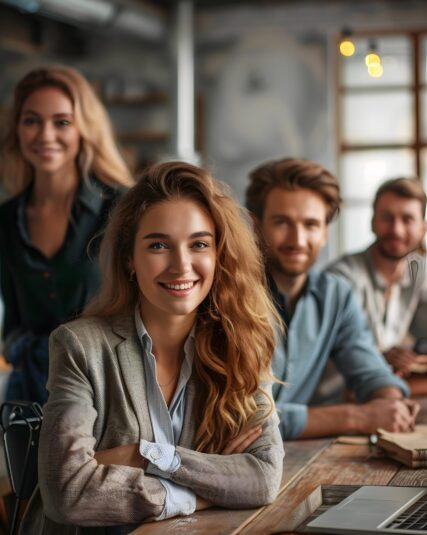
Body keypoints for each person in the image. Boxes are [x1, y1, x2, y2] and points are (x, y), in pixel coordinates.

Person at [20, 161, 284, 533]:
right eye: (158, 245)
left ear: (218, 255)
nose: (181, 265)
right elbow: (67, 492)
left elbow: (262, 478)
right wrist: (202, 487)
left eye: (199, 244)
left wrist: (147, 456)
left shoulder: (244, 345)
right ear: (130, 259)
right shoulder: (80, 346)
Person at [245, 157, 418, 441]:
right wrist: (358, 416)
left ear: (325, 231)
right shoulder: (229, 297)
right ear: (256, 225)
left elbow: (369, 369)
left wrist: (391, 401)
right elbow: (245, 418)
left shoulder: (336, 295)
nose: (297, 239)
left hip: (297, 457)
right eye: (281, 222)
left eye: (311, 224)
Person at [0, 66, 133, 404]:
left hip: (106, 393)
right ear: (16, 130)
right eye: (31, 120)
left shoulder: (121, 209)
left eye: (61, 122)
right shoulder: (5, 219)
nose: (45, 135)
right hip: (28, 398)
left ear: (83, 130)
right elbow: (13, 320)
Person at [328, 178, 427, 379]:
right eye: (387, 217)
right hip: (335, 397)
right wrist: (381, 356)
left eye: (407, 219)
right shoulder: (341, 278)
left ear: (423, 229)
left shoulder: (420, 270)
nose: (396, 230)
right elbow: (338, 351)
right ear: (372, 222)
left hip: (379, 389)